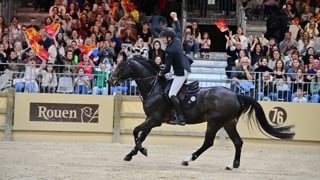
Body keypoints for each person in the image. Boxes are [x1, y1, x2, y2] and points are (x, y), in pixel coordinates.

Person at [159, 12, 191, 126]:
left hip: (181, 72)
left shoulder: (169, 50)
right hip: (185, 66)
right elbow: (178, 29)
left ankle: (181, 117)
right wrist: (175, 18)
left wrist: (160, 73)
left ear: (168, 38)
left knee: (171, 94)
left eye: (163, 38)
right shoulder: (177, 39)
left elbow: (167, 68)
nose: (162, 39)